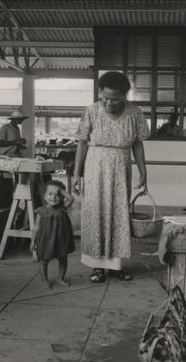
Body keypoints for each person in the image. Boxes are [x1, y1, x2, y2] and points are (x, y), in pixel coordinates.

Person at [73, 71, 149, 284]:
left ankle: (115, 267)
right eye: (105, 98)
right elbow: (82, 142)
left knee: (118, 215)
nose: (109, 103)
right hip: (95, 167)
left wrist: (144, 171)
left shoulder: (134, 113)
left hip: (120, 167)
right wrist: (77, 174)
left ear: (125, 96)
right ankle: (97, 267)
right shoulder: (92, 111)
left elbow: (137, 143)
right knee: (95, 214)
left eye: (115, 99)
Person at [30, 180, 75, 289]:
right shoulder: (41, 211)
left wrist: (59, 189)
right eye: (50, 194)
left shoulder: (63, 207)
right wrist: (33, 241)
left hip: (61, 238)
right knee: (44, 260)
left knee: (63, 258)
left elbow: (71, 198)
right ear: (45, 197)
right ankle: (44, 280)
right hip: (46, 239)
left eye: (57, 194)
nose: (53, 197)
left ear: (62, 197)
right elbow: (36, 227)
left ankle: (60, 278)